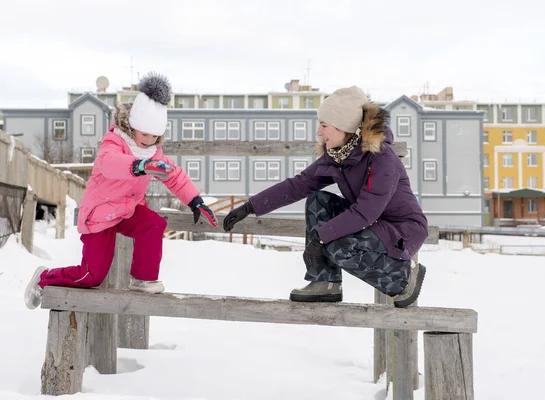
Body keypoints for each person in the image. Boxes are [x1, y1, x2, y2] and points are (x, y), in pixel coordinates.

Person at [24, 72, 218, 309]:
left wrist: (195, 200)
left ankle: (142, 279)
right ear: (133, 125)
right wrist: (138, 166)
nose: (148, 140)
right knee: (92, 277)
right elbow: (109, 163)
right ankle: (45, 278)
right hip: (100, 214)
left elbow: (173, 175)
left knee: (154, 223)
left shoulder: (153, 152)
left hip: (127, 211)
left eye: (154, 135)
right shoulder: (114, 141)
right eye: (144, 133)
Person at [223, 86, 428, 307]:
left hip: (403, 229)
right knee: (318, 201)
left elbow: (365, 212)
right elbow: (298, 185)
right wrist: (249, 207)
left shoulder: (382, 158)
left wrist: (321, 237)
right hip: (375, 223)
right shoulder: (338, 156)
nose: (319, 133)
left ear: (344, 127)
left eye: (324, 126)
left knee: (337, 244)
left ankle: (403, 278)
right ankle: (325, 282)